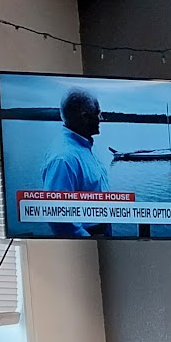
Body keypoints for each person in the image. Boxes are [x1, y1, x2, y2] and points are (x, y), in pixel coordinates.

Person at [40, 88, 113, 238]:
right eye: (98, 113)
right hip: (90, 236)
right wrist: (88, 241)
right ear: (85, 117)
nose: (101, 118)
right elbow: (58, 217)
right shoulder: (64, 158)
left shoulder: (84, 146)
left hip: (101, 231)